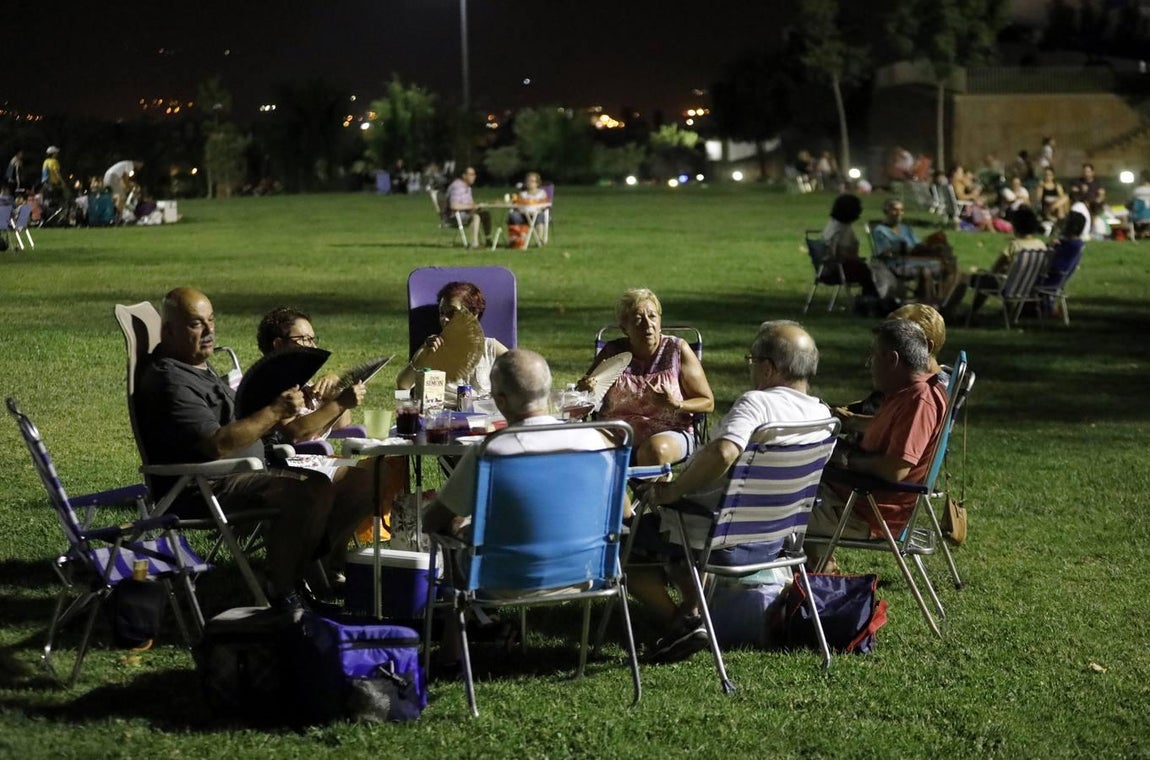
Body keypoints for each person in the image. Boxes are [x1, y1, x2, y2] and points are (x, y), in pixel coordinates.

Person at [134, 287, 365, 612]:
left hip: (252, 468)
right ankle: (283, 592)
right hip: (206, 485)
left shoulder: (198, 368)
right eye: (195, 324)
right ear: (169, 330)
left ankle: (314, 571)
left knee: (358, 480)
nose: (209, 331)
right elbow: (218, 444)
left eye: (211, 321)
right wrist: (274, 412)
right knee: (308, 491)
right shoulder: (171, 380)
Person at [633, 321, 831, 663]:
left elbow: (724, 452)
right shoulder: (823, 415)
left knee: (630, 546)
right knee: (679, 527)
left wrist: (673, 490)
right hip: (775, 540)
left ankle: (683, 624)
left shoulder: (757, 405)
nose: (750, 367)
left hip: (723, 537)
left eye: (751, 360)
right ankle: (694, 609)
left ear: (768, 368)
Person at [806, 319, 948, 569]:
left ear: (892, 359)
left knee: (772, 509)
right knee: (782, 491)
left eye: (873, 356)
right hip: (852, 498)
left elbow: (895, 469)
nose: (869, 364)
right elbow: (886, 432)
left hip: (865, 512)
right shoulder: (907, 393)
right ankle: (818, 572)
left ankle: (804, 581)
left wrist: (846, 460)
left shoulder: (919, 402)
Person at [255, 307, 375, 578]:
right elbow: (294, 432)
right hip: (283, 462)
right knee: (363, 479)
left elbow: (343, 427)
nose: (312, 346)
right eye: (304, 340)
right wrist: (339, 402)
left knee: (375, 475)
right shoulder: (272, 382)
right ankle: (318, 560)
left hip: (318, 457)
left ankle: (325, 555)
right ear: (279, 344)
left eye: (313, 339)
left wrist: (336, 394)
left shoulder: (304, 381)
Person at [577, 288, 714, 467]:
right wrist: (585, 388)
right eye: (638, 319)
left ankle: (646, 492)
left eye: (653, 316)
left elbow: (708, 402)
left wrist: (676, 404)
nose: (648, 324)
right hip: (618, 432)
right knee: (589, 448)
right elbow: (584, 398)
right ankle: (641, 493)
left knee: (655, 451)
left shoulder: (677, 349)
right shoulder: (612, 352)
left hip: (669, 432)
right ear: (624, 328)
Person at [396, 281, 509, 397]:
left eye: (452, 313)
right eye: (442, 313)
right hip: (439, 413)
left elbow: (521, 373)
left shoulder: (490, 348)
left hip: (483, 413)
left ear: (474, 314)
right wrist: (422, 354)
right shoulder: (432, 349)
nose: (444, 319)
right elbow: (403, 385)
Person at [838, 303, 949, 420]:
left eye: (896, 338)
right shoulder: (903, 378)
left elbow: (900, 424)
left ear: (927, 346)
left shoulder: (929, 391)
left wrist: (852, 420)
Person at [964, 206, 1048, 323]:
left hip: (1008, 287)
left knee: (978, 280)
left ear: (1016, 226)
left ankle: (970, 314)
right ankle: (1008, 313)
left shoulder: (1015, 245)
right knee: (989, 281)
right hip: (1029, 287)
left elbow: (995, 269)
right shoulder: (1041, 245)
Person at [871, 198, 960, 303]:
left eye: (901, 210)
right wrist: (902, 250)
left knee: (953, 267)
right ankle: (927, 302)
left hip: (918, 260)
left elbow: (918, 245)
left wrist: (932, 247)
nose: (898, 213)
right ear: (886, 211)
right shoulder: (880, 231)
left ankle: (943, 302)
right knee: (926, 271)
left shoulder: (906, 229)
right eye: (894, 210)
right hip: (899, 264)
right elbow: (884, 252)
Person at [819, 193, 889, 302]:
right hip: (839, 269)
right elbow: (840, 253)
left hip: (827, 269)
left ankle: (872, 297)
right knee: (873, 270)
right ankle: (875, 299)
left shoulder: (832, 226)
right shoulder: (841, 230)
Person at [446, 165, 492, 248]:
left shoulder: (467, 188)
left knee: (485, 214)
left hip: (465, 213)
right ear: (464, 176)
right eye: (471, 174)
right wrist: (472, 207)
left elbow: (469, 204)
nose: (474, 177)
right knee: (476, 217)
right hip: (455, 216)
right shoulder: (457, 187)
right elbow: (454, 206)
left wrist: (476, 206)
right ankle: (475, 243)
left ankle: (488, 240)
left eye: (474, 174)